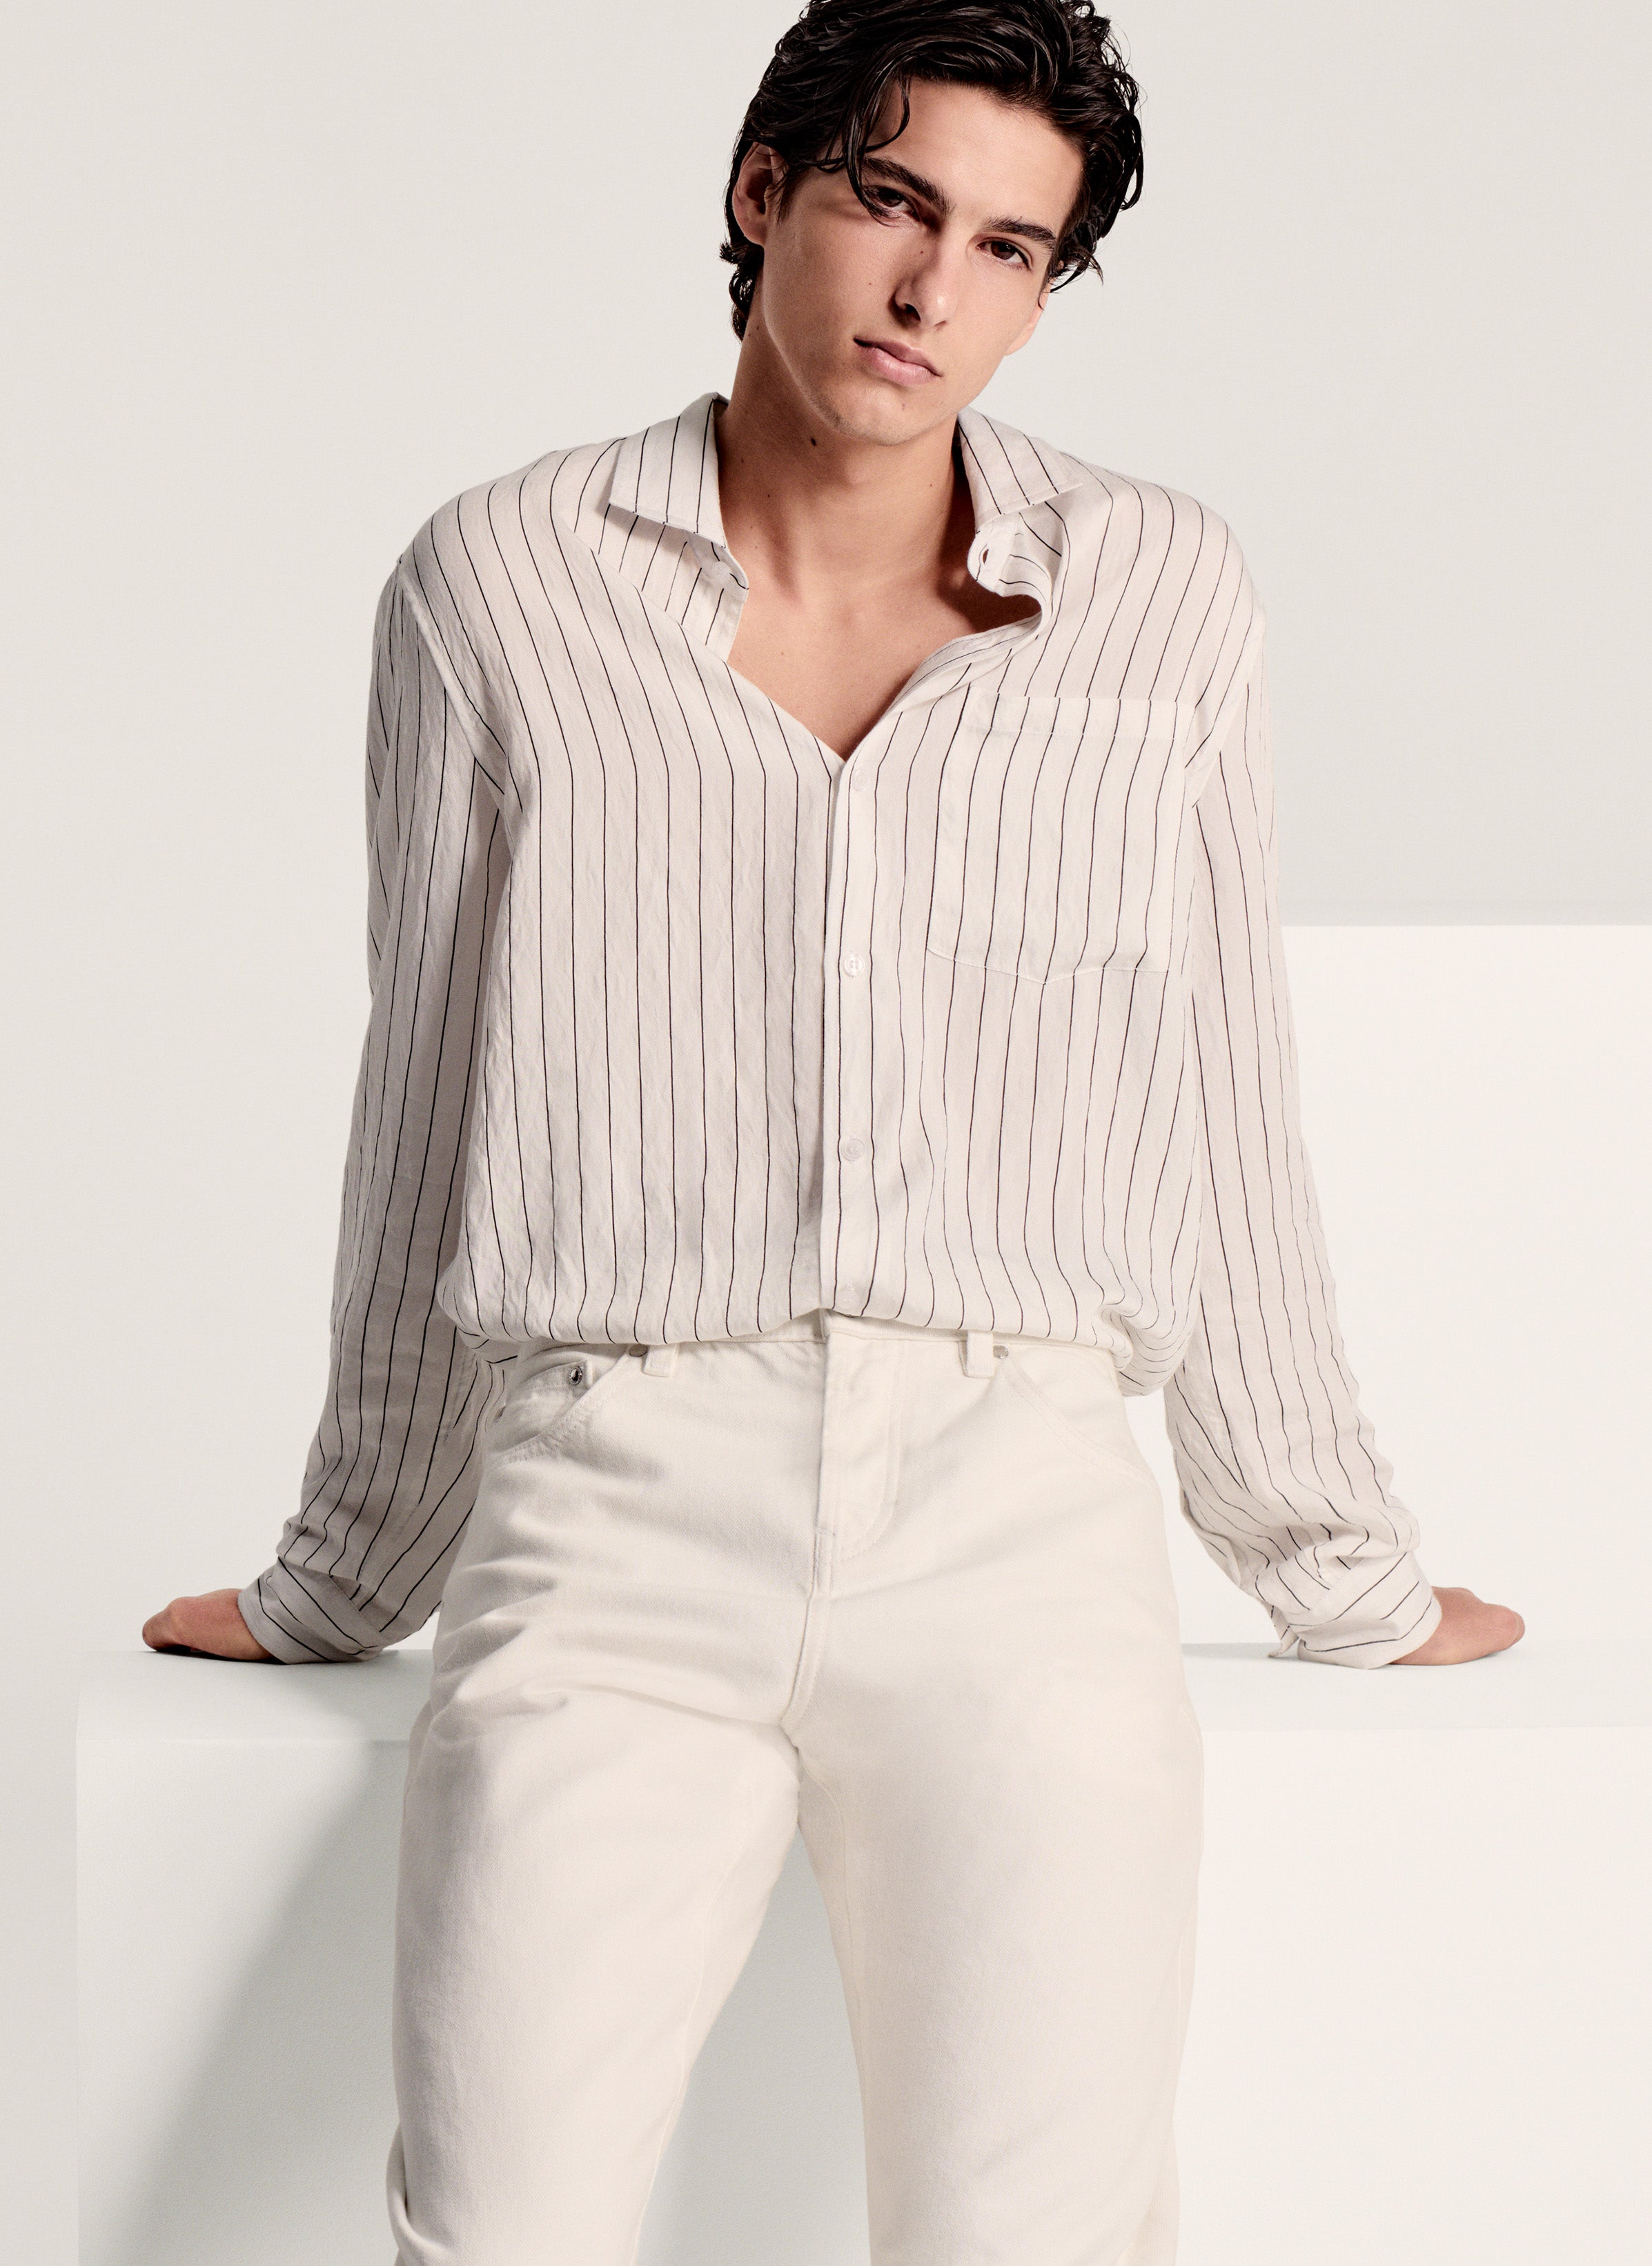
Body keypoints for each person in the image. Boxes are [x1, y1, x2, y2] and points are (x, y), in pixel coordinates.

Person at [144, 3, 1524, 2258]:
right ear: (760, 188)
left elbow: (1217, 1090)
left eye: (1006, 246)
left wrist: (1331, 1564)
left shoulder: (1162, 592)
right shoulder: (499, 582)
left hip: (1019, 1520)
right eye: (891, 202)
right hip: (609, 1500)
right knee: (494, 2225)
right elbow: (427, 1090)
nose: (929, 290)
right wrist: (346, 1573)